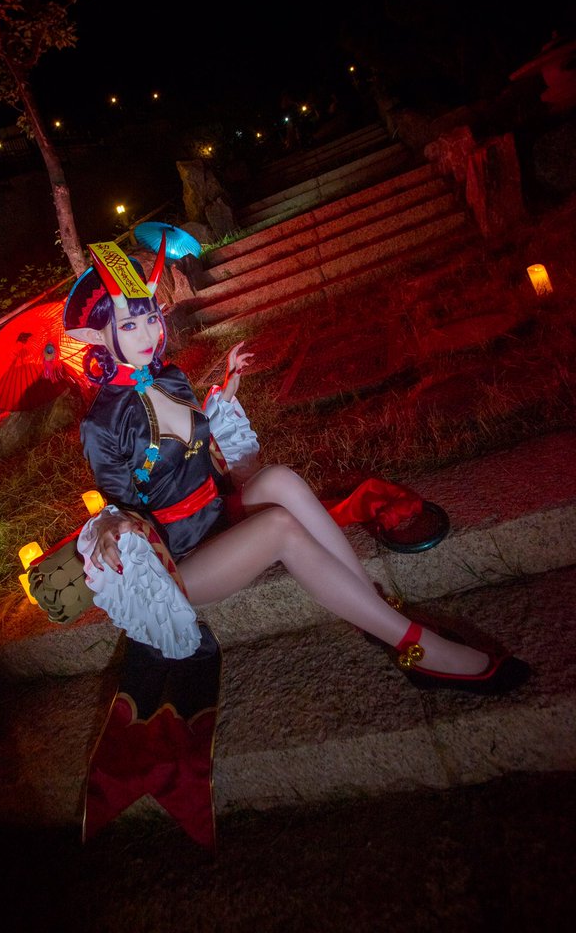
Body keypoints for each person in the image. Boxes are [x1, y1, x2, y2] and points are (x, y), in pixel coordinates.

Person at [62, 238, 530, 846]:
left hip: (216, 517)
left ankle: (374, 608)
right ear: (98, 337)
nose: (149, 332)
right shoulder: (102, 422)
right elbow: (119, 502)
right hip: (184, 562)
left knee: (280, 478)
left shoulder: (171, 377)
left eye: (151, 315)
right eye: (130, 323)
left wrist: (225, 392)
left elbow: (202, 450)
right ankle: (418, 648)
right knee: (279, 526)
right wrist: (111, 524)